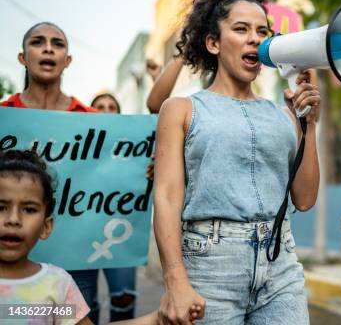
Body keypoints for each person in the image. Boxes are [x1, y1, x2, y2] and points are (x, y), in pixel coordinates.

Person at [153, 0, 320, 324]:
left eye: (262, 31)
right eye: (241, 29)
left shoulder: (283, 114)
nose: (255, 39)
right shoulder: (181, 109)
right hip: (211, 265)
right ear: (213, 42)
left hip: (280, 265)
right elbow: (168, 196)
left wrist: (309, 126)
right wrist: (175, 280)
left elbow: (303, 199)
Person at [0, 149, 201, 325]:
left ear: (46, 226)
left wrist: (157, 319)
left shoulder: (55, 285)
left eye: (28, 209)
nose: (13, 219)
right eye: (1, 207)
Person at [0, 22, 103, 324]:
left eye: (57, 44)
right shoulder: (3, 115)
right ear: (23, 57)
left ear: (67, 60)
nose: (48, 48)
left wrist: (142, 172)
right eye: (38, 42)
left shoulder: (95, 123)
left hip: (76, 263)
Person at [90, 91, 139, 322]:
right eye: (100, 106)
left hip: (121, 235)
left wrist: (148, 170)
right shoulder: (76, 147)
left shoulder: (135, 151)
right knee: (82, 306)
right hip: (81, 235)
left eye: (112, 107)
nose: (106, 110)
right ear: (90, 112)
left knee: (124, 300)